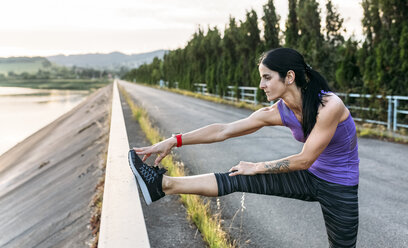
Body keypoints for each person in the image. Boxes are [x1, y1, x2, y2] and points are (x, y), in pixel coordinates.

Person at [128, 47, 359, 248]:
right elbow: (223, 130)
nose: (261, 85)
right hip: (308, 176)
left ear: (289, 76)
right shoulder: (278, 111)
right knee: (236, 176)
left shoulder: (329, 106)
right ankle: (161, 185)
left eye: (267, 78)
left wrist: (258, 166)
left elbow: (305, 159)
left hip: (340, 186)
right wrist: (174, 140)